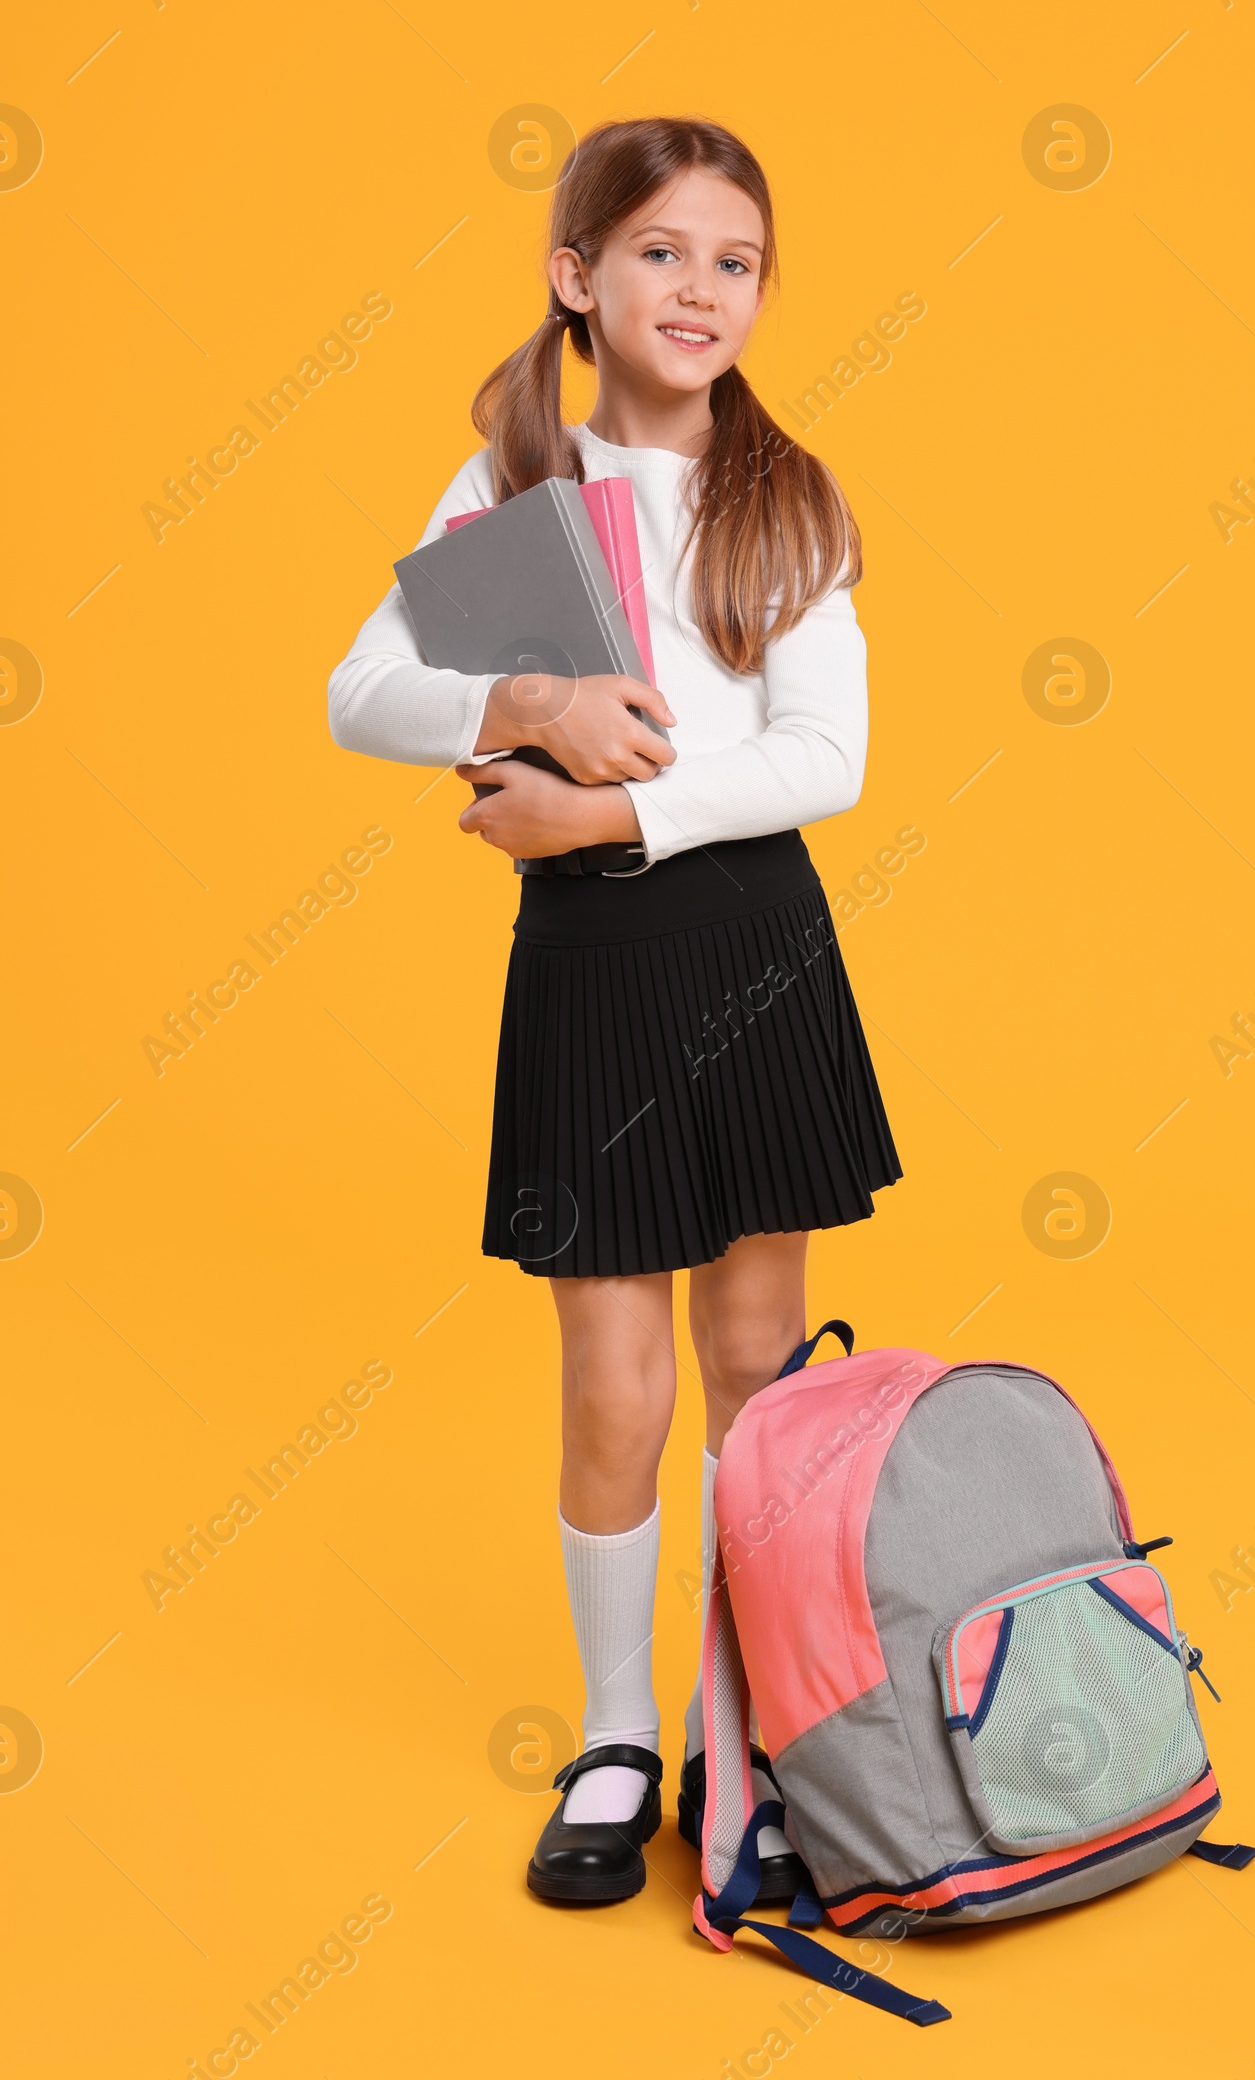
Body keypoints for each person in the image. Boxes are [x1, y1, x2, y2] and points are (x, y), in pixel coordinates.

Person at [328, 115, 900, 1906]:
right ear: (579, 279)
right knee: (612, 1386)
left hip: (752, 946)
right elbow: (362, 693)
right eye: (661, 252)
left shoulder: (781, 496)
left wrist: (607, 806)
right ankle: (618, 1738)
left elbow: (828, 758)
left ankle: (776, 1729)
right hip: (588, 965)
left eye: (735, 259)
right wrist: (532, 694)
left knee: (756, 1369)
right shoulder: (515, 485)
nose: (702, 289)